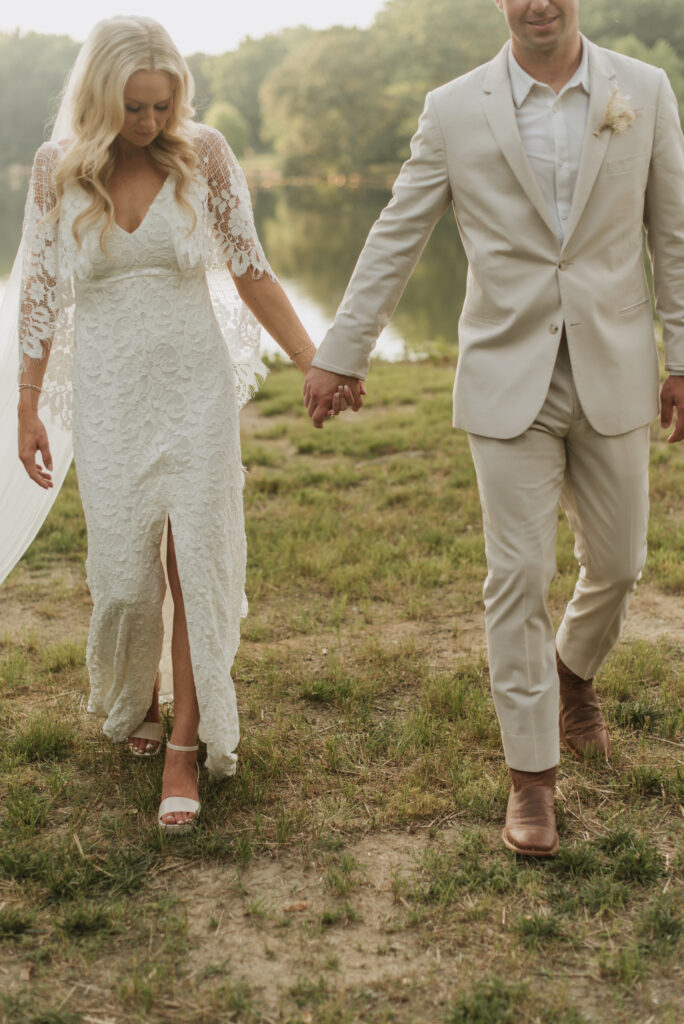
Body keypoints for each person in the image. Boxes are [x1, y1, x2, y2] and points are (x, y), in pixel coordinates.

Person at [303, 0, 684, 855]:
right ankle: (532, 780)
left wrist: (682, 355)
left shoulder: (646, 90)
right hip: (507, 375)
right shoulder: (453, 108)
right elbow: (396, 235)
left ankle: (572, 670)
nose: (538, 4)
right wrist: (342, 351)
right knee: (518, 575)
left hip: (614, 367)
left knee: (621, 564)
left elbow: (675, 232)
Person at [13, 15, 319, 832]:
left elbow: (251, 268)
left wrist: (313, 358)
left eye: (162, 106)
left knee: (194, 558)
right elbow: (40, 293)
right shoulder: (55, 170)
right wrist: (27, 402)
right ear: (100, 99)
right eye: (135, 109)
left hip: (192, 384)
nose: (150, 124)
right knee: (121, 576)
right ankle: (137, 692)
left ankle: (187, 735)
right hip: (111, 394)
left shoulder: (204, 153)